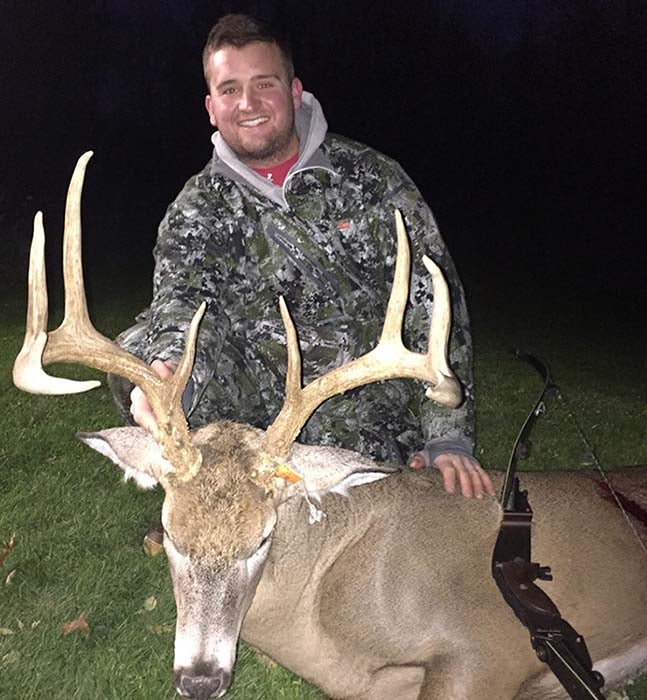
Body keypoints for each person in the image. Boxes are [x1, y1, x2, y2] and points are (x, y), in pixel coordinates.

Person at [109, 14, 494, 511]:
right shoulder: (198, 208)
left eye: (262, 84)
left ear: (293, 91)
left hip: (372, 411)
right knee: (136, 349)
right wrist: (163, 374)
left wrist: (448, 438)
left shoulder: (372, 180)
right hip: (258, 423)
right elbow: (183, 301)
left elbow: (435, 302)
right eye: (229, 90)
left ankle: (378, 465)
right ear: (211, 107)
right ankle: (210, 496)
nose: (246, 104)